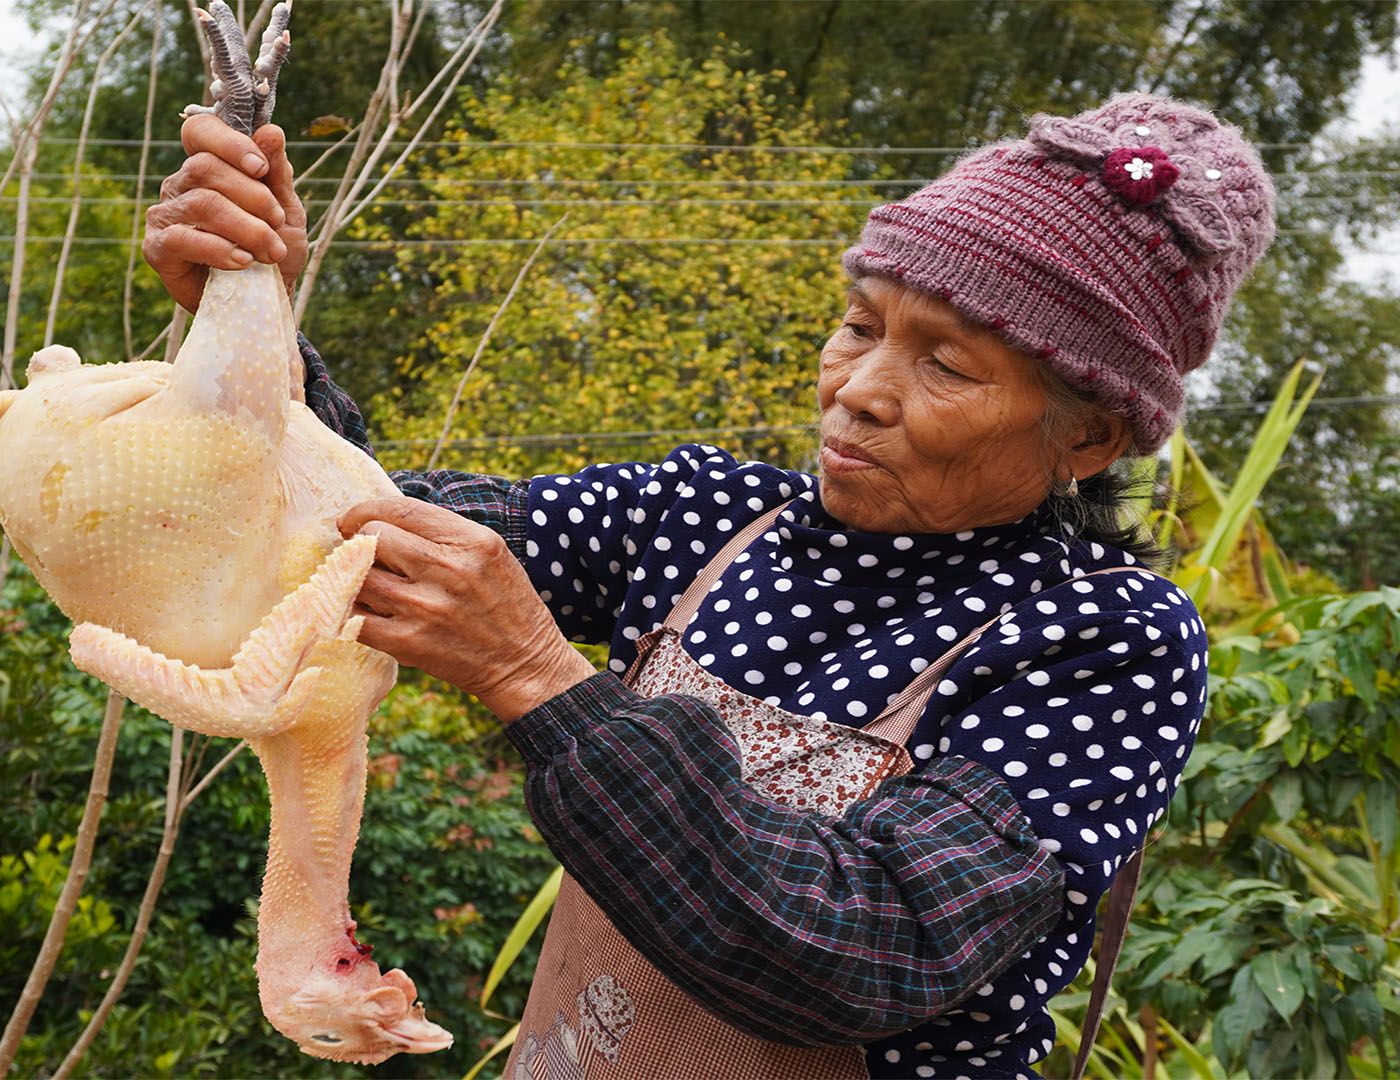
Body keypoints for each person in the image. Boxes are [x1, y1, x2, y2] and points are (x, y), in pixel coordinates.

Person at [141, 92, 1275, 1078]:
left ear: (1087, 440)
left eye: (946, 365)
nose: (859, 391)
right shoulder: (707, 520)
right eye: (859, 326)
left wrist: (536, 677)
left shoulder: (1104, 642)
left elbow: (863, 949)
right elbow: (354, 525)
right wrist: (249, 316)